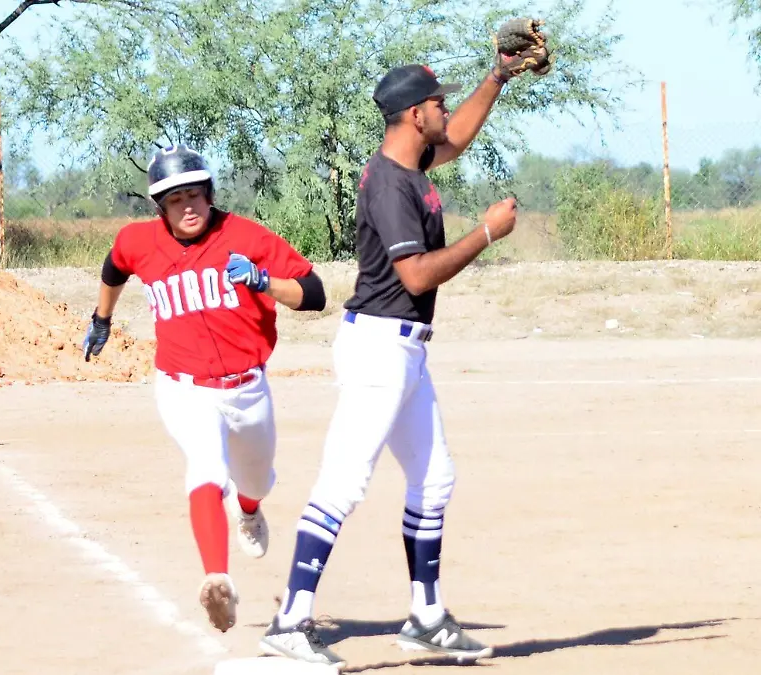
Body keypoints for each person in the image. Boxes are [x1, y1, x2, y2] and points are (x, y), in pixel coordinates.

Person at [258, 54, 547, 666]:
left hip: (404, 351)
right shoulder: (390, 184)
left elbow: (461, 135)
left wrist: (498, 76)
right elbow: (415, 276)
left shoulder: (412, 161)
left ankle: (426, 615)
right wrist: (487, 233)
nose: (445, 109)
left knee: (435, 478)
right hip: (378, 349)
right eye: (437, 103)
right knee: (343, 483)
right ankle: (289, 623)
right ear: (415, 115)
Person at [82, 145, 327, 633]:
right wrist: (101, 318)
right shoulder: (139, 240)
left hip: (247, 387)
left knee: (254, 482)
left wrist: (263, 280)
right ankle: (218, 579)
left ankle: (250, 509)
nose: (187, 206)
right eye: (175, 200)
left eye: (195, 195)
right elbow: (113, 269)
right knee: (207, 467)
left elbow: (315, 293)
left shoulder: (243, 235)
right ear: (161, 208)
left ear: (211, 196)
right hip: (183, 387)